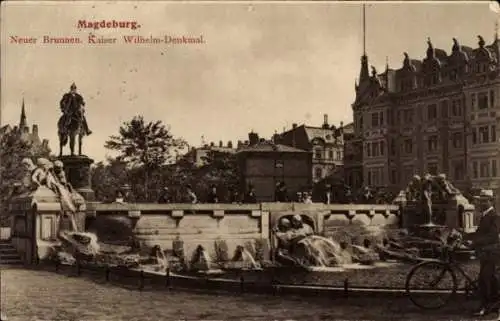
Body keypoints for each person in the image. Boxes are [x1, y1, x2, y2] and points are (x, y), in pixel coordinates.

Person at [471, 190, 500, 317]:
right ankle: (493, 305)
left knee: (485, 279)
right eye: (481, 200)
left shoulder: (494, 216)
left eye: (485, 200)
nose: (482, 203)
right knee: (488, 279)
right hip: (485, 253)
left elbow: (492, 236)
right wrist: (464, 236)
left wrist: (475, 242)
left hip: (491, 253)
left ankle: (486, 307)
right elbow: (479, 233)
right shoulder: (484, 215)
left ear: (491, 201)